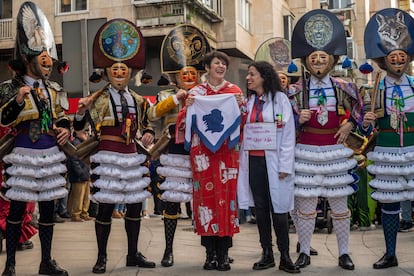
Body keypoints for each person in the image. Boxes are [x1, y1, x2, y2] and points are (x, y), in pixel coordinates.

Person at [74, 19, 156, 273]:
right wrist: (80, 113)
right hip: (108, 156)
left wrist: (150, 133)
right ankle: (101, 257)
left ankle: (133, 254)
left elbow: (147, 123)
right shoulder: (96, 99)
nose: (120, 73)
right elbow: (79, 127)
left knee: (134, 206)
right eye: (115, 70)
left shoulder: (139, 100)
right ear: (108, 72)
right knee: (106, 208)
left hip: (131, 155)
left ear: (129, 73)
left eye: (124, 70)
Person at [0, 2, 71, 275]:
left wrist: (64, 127)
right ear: (28, 59)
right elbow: (3, 119)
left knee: (48, 209)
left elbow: (60, 116)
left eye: (48, 55)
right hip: (24, 154)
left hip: (50, 152)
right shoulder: (10, 87)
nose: (46, 60)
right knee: (17, 209)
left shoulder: (53, 88)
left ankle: (46, 261)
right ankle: (10, 265)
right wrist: (17, 101)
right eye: (40, 55)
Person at [290, 9, 363, 271]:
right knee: (306, 207)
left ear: (331, 60)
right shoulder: (295, 90)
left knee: (340, 206)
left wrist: (350, 123)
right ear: (306, 62)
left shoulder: (345, 87)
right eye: (313, 57)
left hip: (334, 151)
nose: (318, 61)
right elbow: (283, 120)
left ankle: (344, 253)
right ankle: (305, 251)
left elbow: (360, 109)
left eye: (323, 57)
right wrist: (297, 118)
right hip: (306, 151)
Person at [178, 50, 242, 271]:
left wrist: (240, 105)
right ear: (207, 67)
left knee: (226, 199)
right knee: (205, 200)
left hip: (227, 153)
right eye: (217, 63)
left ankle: (224, 253)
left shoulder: (234, 91)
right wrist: (187, 106)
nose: (221, 66)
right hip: (202, 154)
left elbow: (242, 120)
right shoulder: (195, 92)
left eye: (224, 63)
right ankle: (209, 253)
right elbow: (182, 123)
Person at [361, 8, 414, 269]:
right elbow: (363, 122)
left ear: (408, 59)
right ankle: (390, 253)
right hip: (387, 149)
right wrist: (367, 122)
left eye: (401, 56)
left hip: (413, 148)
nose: (397, 61)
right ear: (385, 60)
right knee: (390, 202)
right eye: (393, 57)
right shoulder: (376, 86)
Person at [237, 61, 299, 273]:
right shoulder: (248, 102)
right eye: (247, 74)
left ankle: (285, 256)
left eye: (252, 74)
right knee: (261, 209)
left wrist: (285, 165)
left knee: (279, 209)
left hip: (274, 162)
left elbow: (288, 133)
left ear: (264, 76)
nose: (248, 78)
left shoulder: (280, 100)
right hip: (253, 161)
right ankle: (267, 253)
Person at [66, 128, 93, 222]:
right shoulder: (75, 143)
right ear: (77, 132)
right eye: (83, 131)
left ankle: (84, 213)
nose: (86, 133)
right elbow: (73, 159)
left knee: (86, 196)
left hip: (85, 173)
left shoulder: (83, 142)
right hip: (79, 174)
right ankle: (76, 214)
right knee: (78, 196)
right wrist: (80, 172)